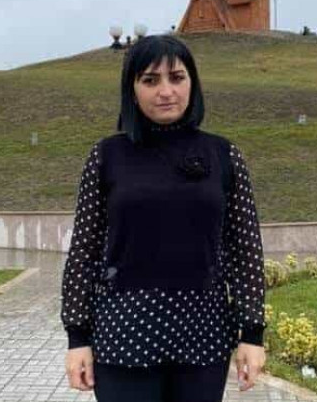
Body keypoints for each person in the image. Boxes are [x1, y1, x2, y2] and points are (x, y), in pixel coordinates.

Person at [60, 34, 266, 402]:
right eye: (150, 80)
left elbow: (244, 249)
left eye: (177, 77)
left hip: (203, 332)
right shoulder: (107, 156)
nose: (166, 91)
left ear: (193, 83)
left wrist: (252, 334)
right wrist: (77, 338)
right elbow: (84, 251)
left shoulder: (223, 155)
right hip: (123, 333)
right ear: (132, 88)